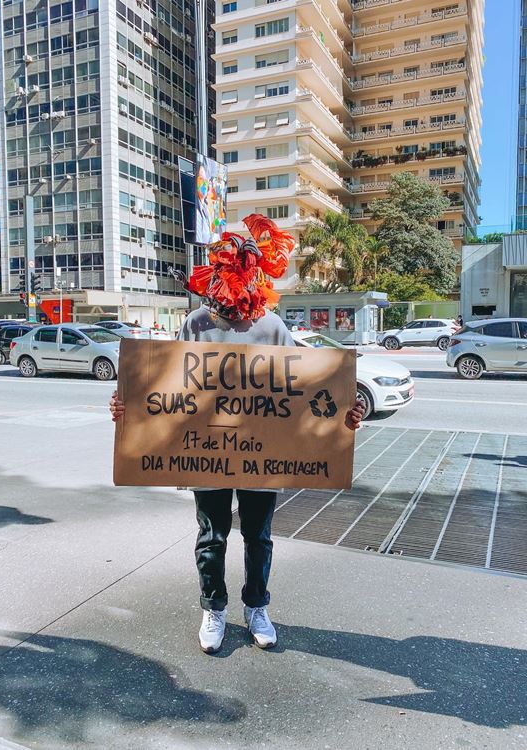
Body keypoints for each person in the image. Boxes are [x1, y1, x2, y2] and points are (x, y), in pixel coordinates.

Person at [109, 214, 364, 655]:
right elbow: (167, 384)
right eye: (219, 277)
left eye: (235, 276)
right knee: (212, 536)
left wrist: (347, 412)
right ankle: (214, 608)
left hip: (263, 455)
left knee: (258, 536)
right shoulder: (195, 324)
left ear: (251, 276)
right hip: (206, 450)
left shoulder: (273, 327)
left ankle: (256, 606)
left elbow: (303, 389)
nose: (225, 290)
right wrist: (127, 407)